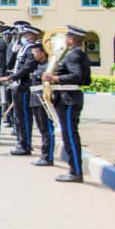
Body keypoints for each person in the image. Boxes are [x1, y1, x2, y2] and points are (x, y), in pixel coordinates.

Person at [42, 25, 92, 182]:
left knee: (70, 136)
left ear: (71, 39)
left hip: (68, 98)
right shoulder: (81, 55)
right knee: (70, 134)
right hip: (73, 96)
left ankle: (75, 171)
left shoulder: (72, 56)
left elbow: (76, 76)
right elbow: (87, 80)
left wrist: (55, 78)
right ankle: (74, 169)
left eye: (66, 37)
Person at [0, 24, 41, 156]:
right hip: (18, 86)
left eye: (26, 35)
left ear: (32, 37)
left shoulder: (32, 50)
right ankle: (21, 143)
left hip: (25, 87)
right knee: (18, 118)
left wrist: (10, 77)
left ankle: (25, 145)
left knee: (25, 117)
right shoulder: (23, 49)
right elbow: (10, 64)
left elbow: (27, 68)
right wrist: (14, 51)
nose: (23, 37)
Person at [27, 43, 56, 166]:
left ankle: (47, 157)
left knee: (47, 129)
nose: (34, 55)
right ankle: (44, 155)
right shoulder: (38, 65)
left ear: (43, 53)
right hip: (35, 99)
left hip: (43, 100)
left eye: (36, 52)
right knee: (41, 129)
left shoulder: (49, 67)